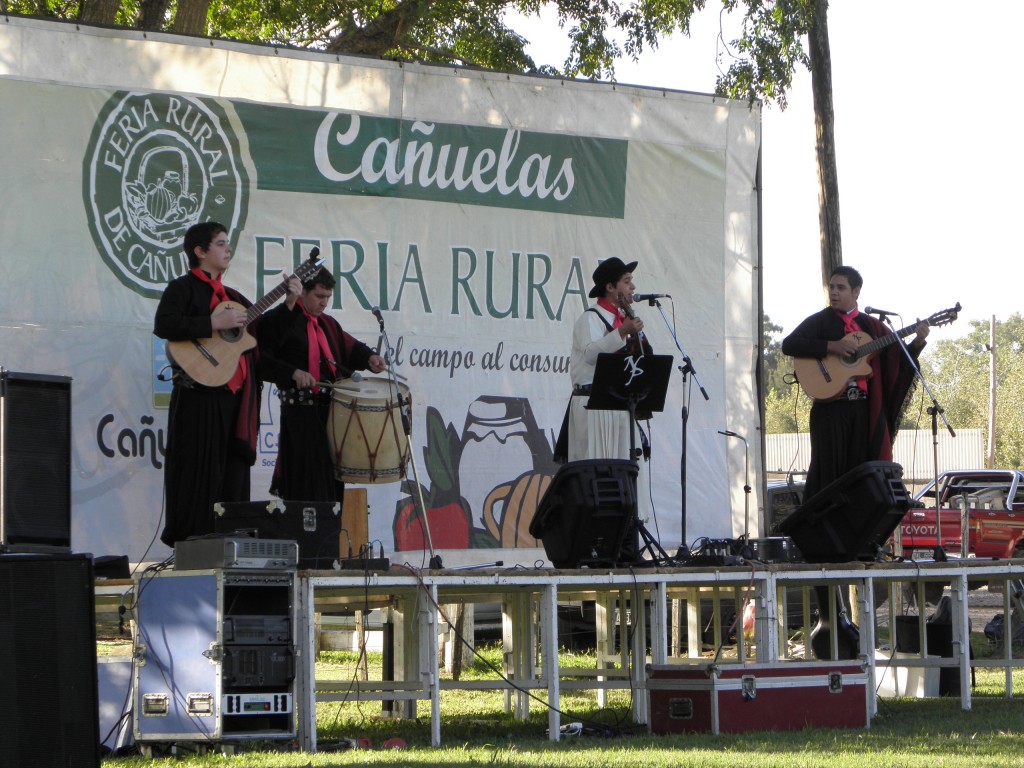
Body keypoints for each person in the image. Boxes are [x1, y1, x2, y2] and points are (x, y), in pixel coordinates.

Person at [154, 221, 297, 546]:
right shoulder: (183, 288)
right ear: (200, 251)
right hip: (199, 398)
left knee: (232, 476)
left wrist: (289, 304)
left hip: (236, 403)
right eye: (220, 243)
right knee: (198, 473)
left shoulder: (234, 298)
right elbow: (165, 324)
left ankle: (229, 544)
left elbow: (264, 338)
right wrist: (213, 322)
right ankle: (194, 546)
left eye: (227, 243)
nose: (228, 248)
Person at [782, 265, 929, 503]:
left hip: (862, 410)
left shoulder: (873, 327)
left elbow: (897, 361)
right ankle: (822, 521)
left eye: (841, 288)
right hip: (830, 409)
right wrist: (832, 346)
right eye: (832, 287)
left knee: (859, 472)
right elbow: (790, 344)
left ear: (856, 291)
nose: (834, 292)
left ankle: (856, 521)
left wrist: (918, 342)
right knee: (827, 471)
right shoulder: (820, 321)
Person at [259, 269, 386, 502]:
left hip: (332, 415)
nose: (324, 303)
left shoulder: (327, 324)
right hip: (301, 415)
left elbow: (350, 347)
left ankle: (331, 523)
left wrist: (369, 358)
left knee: (331, 484)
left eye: (328, 297)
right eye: (319, 296)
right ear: (302, 292)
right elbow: (261, 358)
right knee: (307, 481)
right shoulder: (281, 320)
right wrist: (292, 373)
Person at [557, 256, 651, 463]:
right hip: (592, 406)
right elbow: (591, 355)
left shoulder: (624, 319)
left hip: (619, 405)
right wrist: (622, 332)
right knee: (597, 465)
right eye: (627, 281)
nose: (633, 287)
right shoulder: (590, 318)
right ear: (610, 287)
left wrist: (636, 337)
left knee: (625, 465)